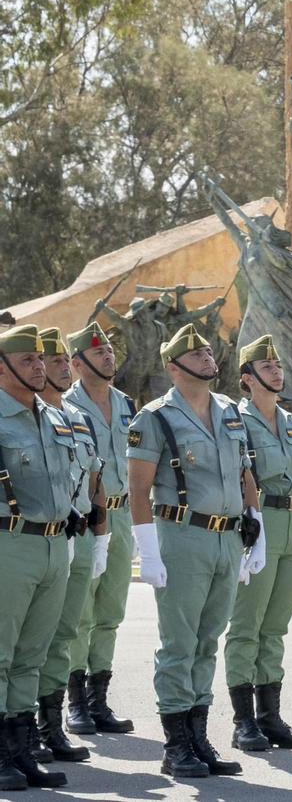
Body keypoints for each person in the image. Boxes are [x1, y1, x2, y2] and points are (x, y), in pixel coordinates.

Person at [127, 324, 266, 779]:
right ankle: (176, 745)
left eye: (208, 352)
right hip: (182, 536)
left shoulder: (229, 410)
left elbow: (246, 471)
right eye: (197, 354)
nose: (208, 358)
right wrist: (147, 549)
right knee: (180, 644)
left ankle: (199, 736)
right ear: (173, 367)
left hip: (227, 537)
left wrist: (255, 526)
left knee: (208, 641)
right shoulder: (155, 417)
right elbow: (139, 489)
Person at [223, 335, 292, 751]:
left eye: (279, 365)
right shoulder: (235, 421)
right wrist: (251, 531)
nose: (277, 371)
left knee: (275, 627)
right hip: (258, 525)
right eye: (267, 367)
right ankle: (243, 721)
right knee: (247, 625)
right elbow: (238, 477)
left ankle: (270, 717)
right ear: (247, 378)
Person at [0, 325, 75, 789]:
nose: (39, 366)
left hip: (54, 543)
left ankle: (22, 750)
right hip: (9, 543)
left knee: (32, 655)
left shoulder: (52, 415)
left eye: (39, 359)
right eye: (28, 360)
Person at [32, 328, 105, 764]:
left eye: (62, 361)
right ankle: (19, 732)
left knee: (63, 637)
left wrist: (102, 537)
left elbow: (96, 478)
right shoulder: (25, 417)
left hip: (75, 539)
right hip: (35, 540)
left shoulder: (75, 418)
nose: (58, 367)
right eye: (50, 360)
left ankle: (49, 727)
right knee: (29, 642)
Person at [62, 324, 138, 736]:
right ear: (77, 364)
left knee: (110, 611)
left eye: (109, 349)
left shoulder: (128, 404)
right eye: (99, 352)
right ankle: (74, 702)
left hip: (122, 515)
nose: (109, 356)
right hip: (85, 518)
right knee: (79, 612)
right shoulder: (63, 406)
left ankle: (99, 700)